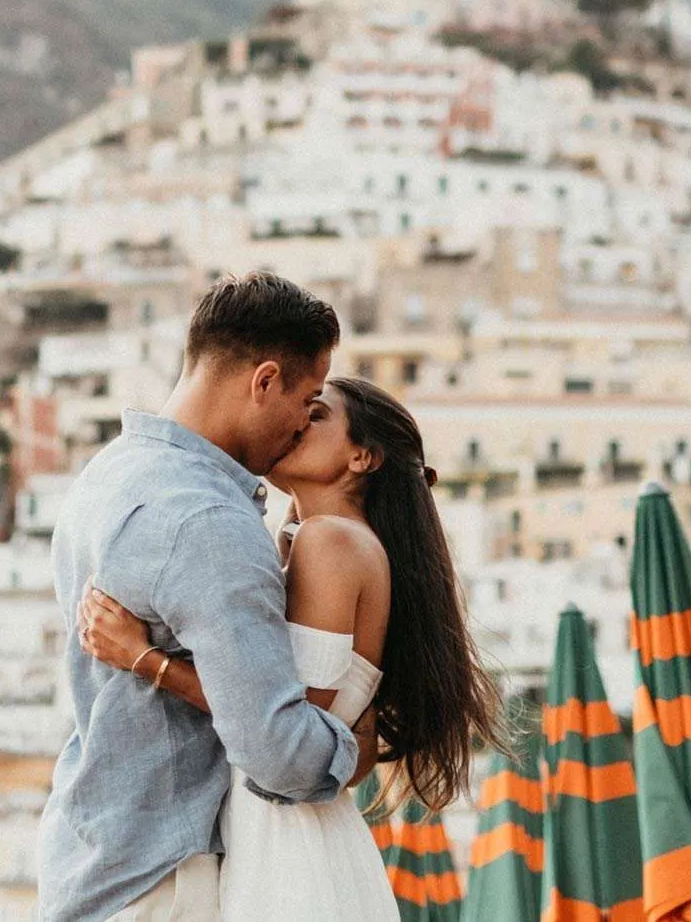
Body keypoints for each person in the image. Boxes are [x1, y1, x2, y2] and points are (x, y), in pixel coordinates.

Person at [79, 375, 503, 921]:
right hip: (302, 828)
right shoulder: (327, 540)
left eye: (318, 414)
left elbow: (286, 720)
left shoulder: (331, 542)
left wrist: (143, 659)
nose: (299, 421)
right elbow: (354, 740)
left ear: (362, 458)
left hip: (284, 839)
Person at [39, 273, 365, 922]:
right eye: (307, 398)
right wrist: (355, 744)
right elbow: (279, 755)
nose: (305, 422)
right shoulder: (208, 524)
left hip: (88, 854)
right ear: (264, 380)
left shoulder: (107, 472)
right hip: (167, 878)